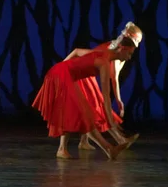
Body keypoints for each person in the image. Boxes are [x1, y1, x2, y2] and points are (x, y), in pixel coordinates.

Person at [31, 33, 141, 160]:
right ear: (122, 49)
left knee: (84, 114)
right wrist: (111, 122)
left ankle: (108, 149)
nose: (129, 58)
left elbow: (77, 52)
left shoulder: (105, 57)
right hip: (61, 75)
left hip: (68, 76)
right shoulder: (104, 62)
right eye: (129, 54)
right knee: (85, 113)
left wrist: (62, 67)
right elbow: (106, 98)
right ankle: (105, 149)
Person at [67, 22, 142, 150]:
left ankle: (86, 141)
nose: (130, 56)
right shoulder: (114, 51)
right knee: (96, 107)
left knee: (94, 107)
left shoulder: (119, 51)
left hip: (87, 76)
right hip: (81, 75)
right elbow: (112, 77)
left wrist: (118, 99)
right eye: (130, 52)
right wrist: (62, 68)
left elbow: (115, 77)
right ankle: (119, 139)